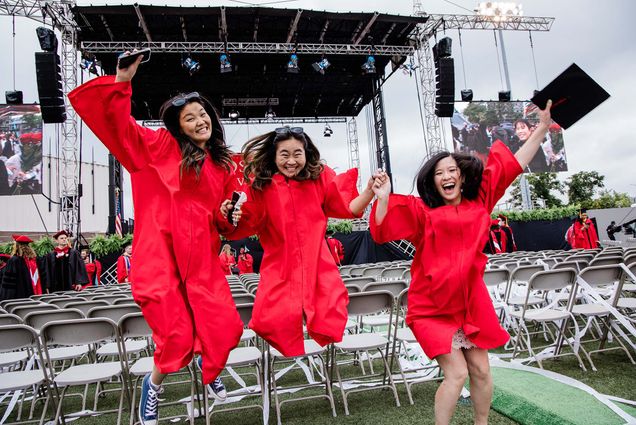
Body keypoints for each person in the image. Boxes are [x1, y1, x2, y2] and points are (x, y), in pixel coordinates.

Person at [68, 51, 243, 425]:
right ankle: (154, 385)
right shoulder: (160, 148)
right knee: (177, 336)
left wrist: (228, 216)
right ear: (179, 127)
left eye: (203, 114)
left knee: (224, 327)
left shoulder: (223, 164)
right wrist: (122, 82)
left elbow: (224, 220)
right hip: (160, 258)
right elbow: (120, 128)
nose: (200, 121)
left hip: (200, 261)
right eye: (190, 118)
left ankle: (208, 369)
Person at [370, 101, 552, 425]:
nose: (447, 176)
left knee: (481, 370)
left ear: (462, 176)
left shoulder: (480, 199)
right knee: (456, 373)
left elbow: (515, 162)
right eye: (439, 173)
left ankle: (481, 424)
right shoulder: (421, 212)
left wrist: (540, 128)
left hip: (470, 303)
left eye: (452, 170)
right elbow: (382, 230)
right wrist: (382, 198)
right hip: (432, 306)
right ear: (433, 182)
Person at [224, 126, 381, 357]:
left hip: (318, 268)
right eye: (284, 154)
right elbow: (240, 223)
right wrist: (231, 214)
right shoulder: (261, 188)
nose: (291, 161)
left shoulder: (319, 181)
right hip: (280, 270)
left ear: (306, 154)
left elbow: (348, 208)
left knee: (330, 313)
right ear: (274, 156)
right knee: (273, 321)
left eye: (297, 153)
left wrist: (369, 191)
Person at [0, 235, 47, 300]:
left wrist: (5, 298)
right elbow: (43, 278)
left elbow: (9, 283)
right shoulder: (36, 260)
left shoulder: (14, 261)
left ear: (16, 246)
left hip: (20, 299)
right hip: (37, 297)